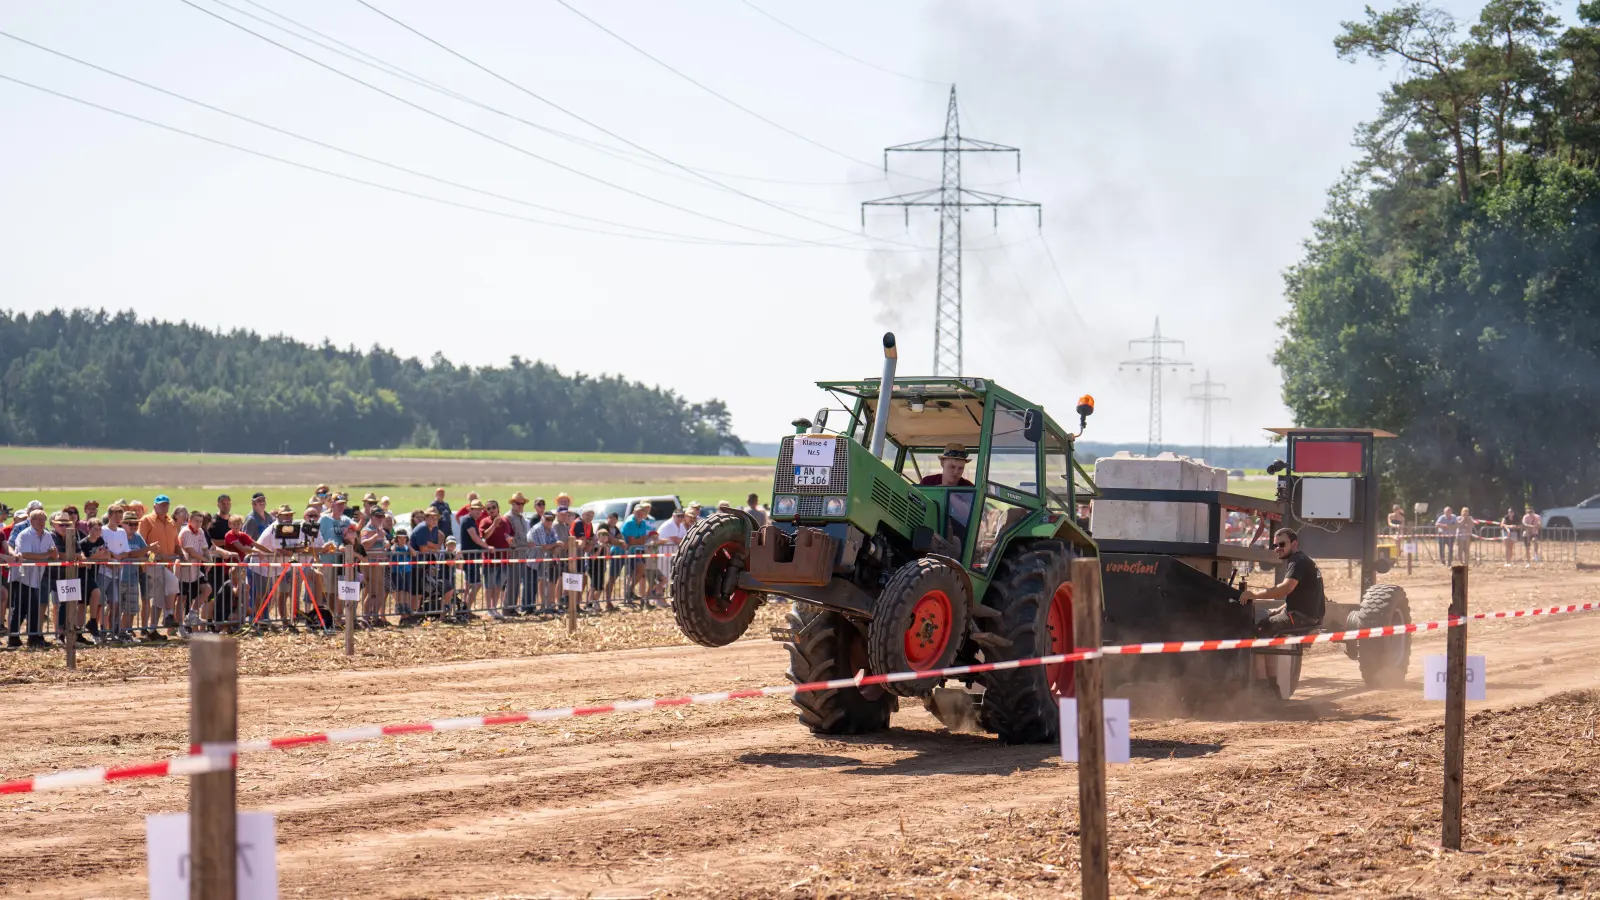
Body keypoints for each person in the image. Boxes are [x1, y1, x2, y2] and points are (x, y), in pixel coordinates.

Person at [1240, 528, 1324, 676]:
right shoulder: (1304, 560)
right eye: (1275, 545)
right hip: (1307, 616)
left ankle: (1263, 689)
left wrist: (1254, 595)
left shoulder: (1297, 561)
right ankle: (1273, 689)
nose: (1278, 548)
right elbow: (1301, 596)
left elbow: (1286, 588)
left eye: (1282, 544)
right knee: (1270, 636)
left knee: (1257, 633)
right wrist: (1278, 611)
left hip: (1300, 618)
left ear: (1294, 543)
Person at [9, 508, 55, 647]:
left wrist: (51, 554)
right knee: (24, 607)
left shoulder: (47, 535)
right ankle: (24, 637)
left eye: (43, 519)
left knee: (27, 607)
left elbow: (54, 553)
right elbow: (26, 554)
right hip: (22, 575)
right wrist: (46, 555)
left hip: (36, 576)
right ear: (31, 520)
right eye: (38, 519)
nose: (42, 522)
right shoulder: (24, 535)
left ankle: (25, 637)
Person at [138, 495, 181, 640]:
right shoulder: (146, 520)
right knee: (173, 582)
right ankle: (168, 615)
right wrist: (151, 557)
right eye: (161, 504)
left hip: (166, 565)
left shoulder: (171, 522)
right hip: (152, 564)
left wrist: (182, 555)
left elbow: (176, 544)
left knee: (158, 600)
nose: (164, 507)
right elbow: (141, 544)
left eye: (166, 505)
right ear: (154, 505)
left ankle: (152, 630)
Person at [619, 503, 657, 604]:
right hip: (625, 552)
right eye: (638, 512)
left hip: (636, 551)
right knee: (632, 573)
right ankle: (628, 593)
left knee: (639, 572)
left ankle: (629, 592)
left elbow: (643, 539)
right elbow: (632, 542)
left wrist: (639, 540)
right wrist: (639, 540)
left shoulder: (643, 523)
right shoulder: (630, 522)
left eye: (643, 512)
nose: (641, 514)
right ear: (633, 512)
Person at [527, 509, 561, 613]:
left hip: (543, 559)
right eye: (547, 519)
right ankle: (541, 605)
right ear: (542, 519)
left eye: (552, 519)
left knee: (544, 581)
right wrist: (555, 545)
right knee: (538, 582)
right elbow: (545, 546)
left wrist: (554, 545)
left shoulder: (550, 528)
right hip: (534, 560)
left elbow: (556, 541)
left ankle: (546, 605)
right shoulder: (539, 528)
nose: (550, 521)